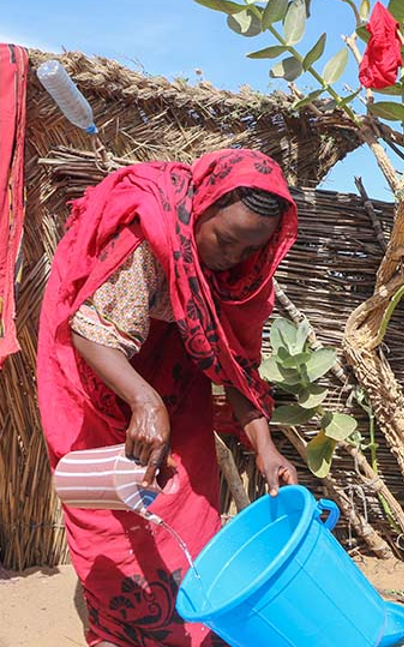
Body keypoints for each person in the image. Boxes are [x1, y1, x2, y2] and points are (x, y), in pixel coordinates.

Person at [37, 148, 300, 646]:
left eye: (249, 251)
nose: (233, 258)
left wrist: (265, 448)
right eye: (225, 240)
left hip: (177, 393)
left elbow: (235, 367)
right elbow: (90, 332)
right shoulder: (146, 235)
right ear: (201, 207)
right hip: (105, 390)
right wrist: (144, 400)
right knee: (113, 521)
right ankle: (120, 633)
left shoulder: (235, 279)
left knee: (190, 514)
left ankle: (193, 629)